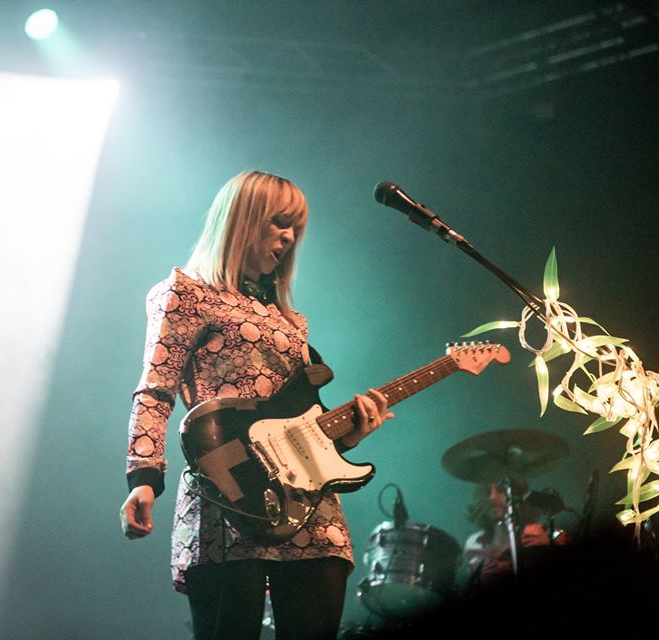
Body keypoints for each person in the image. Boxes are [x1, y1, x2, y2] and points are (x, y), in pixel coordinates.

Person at [118, 170, 394, 640]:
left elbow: (302, 416)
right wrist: (144, 477)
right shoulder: (186, 292)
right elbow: (156, 388)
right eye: (278, 222)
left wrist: (349, 434)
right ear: (241, 220)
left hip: (308, 499)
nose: (288, 237)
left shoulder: (290, 320)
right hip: (230, 489)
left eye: (295, 229)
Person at [461, 480, 553, 593]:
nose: (492, 497)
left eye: (501, 490)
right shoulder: (474, 543)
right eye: (487, 492)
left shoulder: (539, 535)